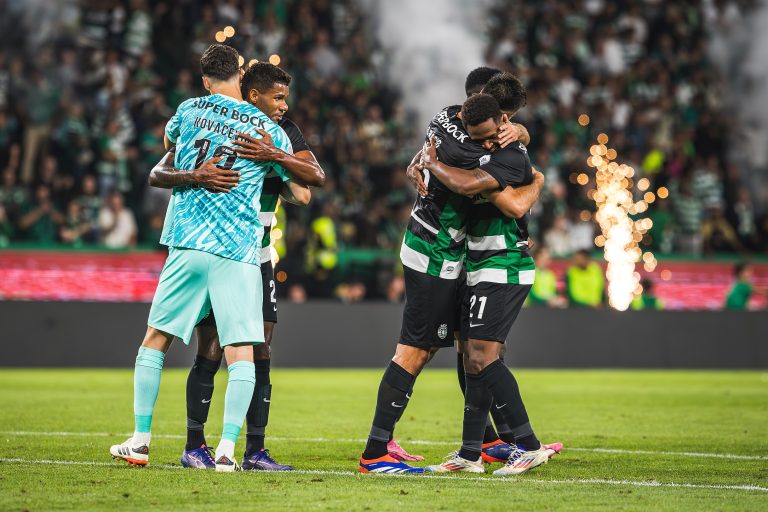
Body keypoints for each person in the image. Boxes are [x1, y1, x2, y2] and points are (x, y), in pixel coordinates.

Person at [109, 44, 297, 472]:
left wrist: (195, 166)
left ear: (205, 80)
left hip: (189, 242)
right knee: (241, 351)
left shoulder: (190, 109)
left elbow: (168, 144)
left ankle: (140, 440)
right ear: (241, 77)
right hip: (238, 250)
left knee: (155, 339)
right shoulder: (265, 127)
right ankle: (227, 451)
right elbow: (300, 188)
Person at [359, 75, 548, 475]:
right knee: (417, 350)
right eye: (502, 123)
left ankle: (479, 446)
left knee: (470, 347)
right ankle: (375, 451)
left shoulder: (446, 116)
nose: (495, 138)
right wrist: (537, 178)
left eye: (504, 126)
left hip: (452, 252)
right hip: (435, 252)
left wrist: (522, 135)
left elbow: (441, 154)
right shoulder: (481, 152)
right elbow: (499, 197)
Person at [148, 62, 324, 471]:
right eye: (277, 98)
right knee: (210, 346)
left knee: (260, 345)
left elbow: (304, 191)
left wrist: (274, 159)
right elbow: (168, 150)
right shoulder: (216, 121)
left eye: (284, 98)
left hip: (257, 252)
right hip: (218, 247)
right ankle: (195, 445)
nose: (283, 106)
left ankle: (254, 451)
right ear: (252, 94)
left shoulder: (284, 130)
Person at [418, 94, 554, 476]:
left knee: (482, 358)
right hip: (478, 263)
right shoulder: (468, 146)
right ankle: (470, 453)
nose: (487, 144)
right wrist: (421, 162)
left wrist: (432, 163)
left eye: (492, 136)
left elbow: (511, 205)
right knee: (470, 357)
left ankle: (529, 445)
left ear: (504, 121)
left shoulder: (511, 156)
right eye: (479, 139)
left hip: (503, 264)